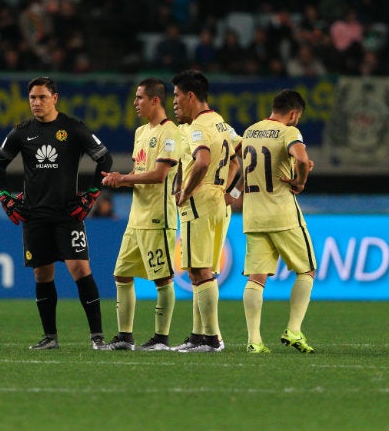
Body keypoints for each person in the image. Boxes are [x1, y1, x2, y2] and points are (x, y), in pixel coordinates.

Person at [0, 76, 113, 350]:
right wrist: (5, 198)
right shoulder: (21, 132)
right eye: (32, 97)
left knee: (80, 269)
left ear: (54, 98)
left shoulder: (73, 128)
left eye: (42, 97)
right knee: (42, 276)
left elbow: (104, 158)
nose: (36, 102)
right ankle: (50, 337)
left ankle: (97, 337)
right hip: (34, 215)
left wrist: (91, 194)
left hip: (68, 214)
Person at [100, 78, 182, 351]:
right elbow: (139, 172)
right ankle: (125, 336)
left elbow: (159, 175)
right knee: (121, 274)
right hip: (137, 217)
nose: (135, 103)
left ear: (155, 100)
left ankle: (161, 338)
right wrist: (119, 178)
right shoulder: (140, 133)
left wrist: (123, 179)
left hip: (158, 217)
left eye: (139, 98)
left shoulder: (171, 132)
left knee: (162, 278)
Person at [235, 89, 317, 354]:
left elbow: (257, 168)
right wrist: (301, 180)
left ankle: (254, 340)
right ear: (293, 113)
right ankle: (293, 330)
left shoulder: (249, 132)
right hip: (281, 213)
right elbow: (301, 158)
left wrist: (232, 194)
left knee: (256, 279)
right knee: (307, 270)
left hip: (253, 214)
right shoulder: (288, 132)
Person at [170, 69, 239, 353]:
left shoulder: (198, 127)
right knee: (201, 271)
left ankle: (212, 338)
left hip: (199, 203)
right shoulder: (220, 123)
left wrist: (186, 192)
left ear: (190, 96)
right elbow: (238, 157)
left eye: (176, 96)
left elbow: (201, 161)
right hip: (217, 202)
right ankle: (199, 336)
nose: (173, 102)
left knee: (199, 269)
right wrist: (230, 193)